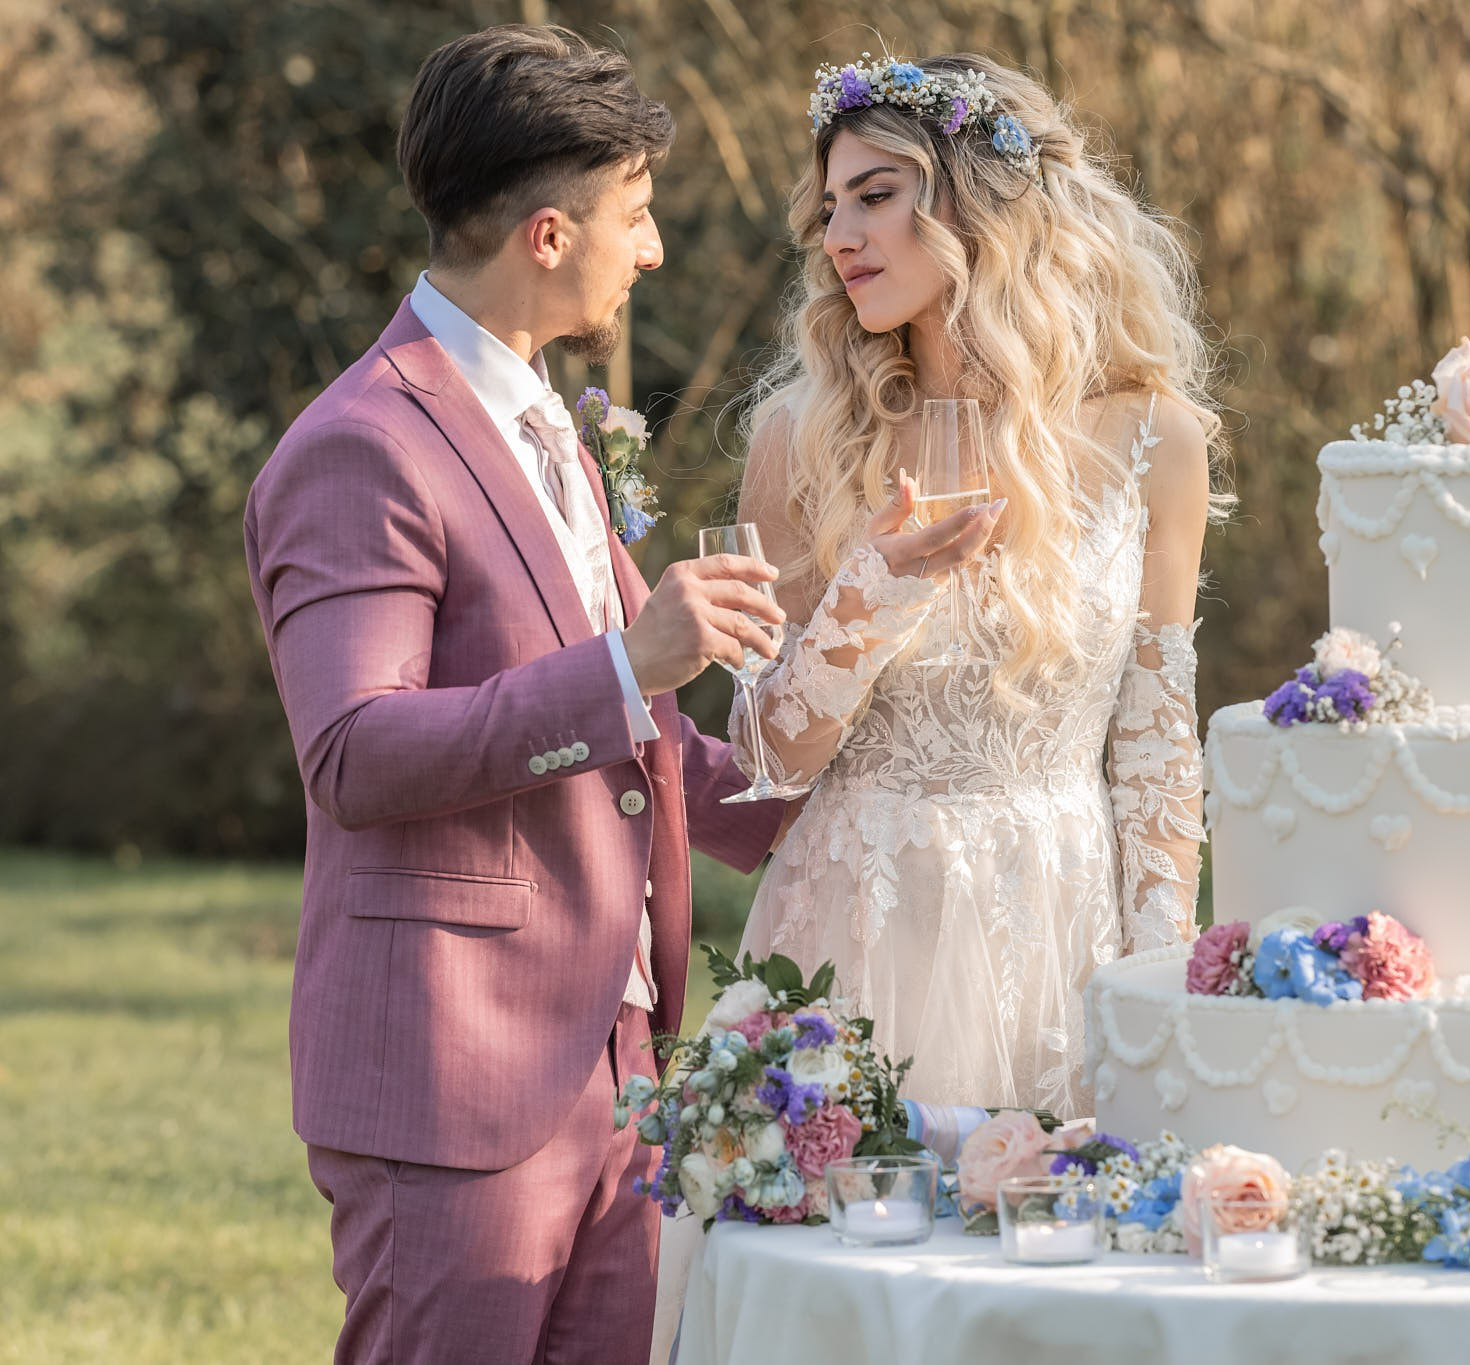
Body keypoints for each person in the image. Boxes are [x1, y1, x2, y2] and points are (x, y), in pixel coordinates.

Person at [242, 27, 998, 1364]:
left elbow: (634, 741)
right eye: (635, 216)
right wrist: (628, 663)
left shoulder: (545, 427)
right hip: (452, 1086)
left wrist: (824, 780)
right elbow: (354, 750)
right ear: (547, 234)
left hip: (619, 1080)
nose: (649, 250)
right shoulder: (362, 448)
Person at [737, 51, 1221, 1124]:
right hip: (859, 928)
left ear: (979, 207)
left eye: (875, 197)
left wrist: (1161, 982)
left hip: (1062, 923)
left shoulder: (1152, 437)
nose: (838, 237)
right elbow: (766, 759)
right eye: (828, 209)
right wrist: (868, 594)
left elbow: (1152, 741)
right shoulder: (797, 439)